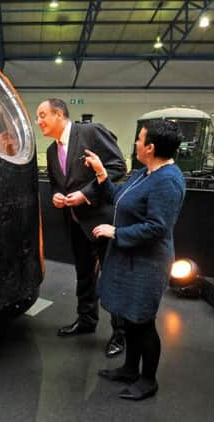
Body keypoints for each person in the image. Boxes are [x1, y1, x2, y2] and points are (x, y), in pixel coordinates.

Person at [83, 119, 186, 400]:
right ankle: (130, 369)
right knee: (129, 319)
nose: (136, 144)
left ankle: (148, 380)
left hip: (147, 263)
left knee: (142, 322)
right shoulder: (145, 173)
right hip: (129, 256)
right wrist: (103, 174)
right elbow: (120, 198)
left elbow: (158, 227)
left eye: (139, 140)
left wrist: (116, 232)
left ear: (150, 148)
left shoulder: (168, 181)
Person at [36, 98, 127, 358]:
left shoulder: (91, 132)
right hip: (74, 222)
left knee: (111, 275)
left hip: (102, 220)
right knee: (84, 273)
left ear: (59, 114)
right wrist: (56, 196)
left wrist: (86, 194)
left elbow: (117, 166)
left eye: (42, 115)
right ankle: (86, 320)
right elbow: (57, 184)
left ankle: (120, 333)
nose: (38, 121)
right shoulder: (52, 152)